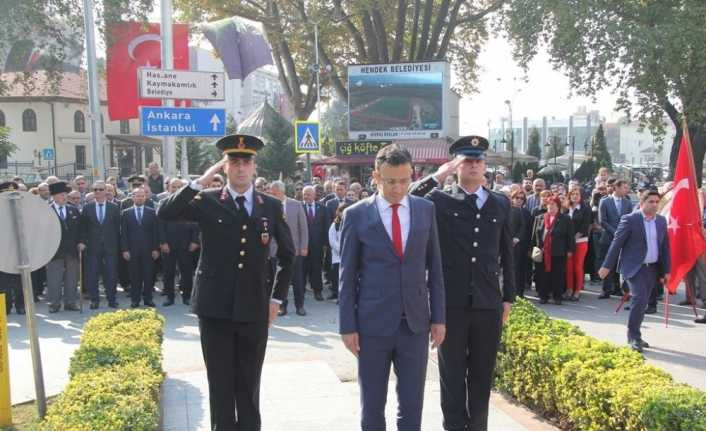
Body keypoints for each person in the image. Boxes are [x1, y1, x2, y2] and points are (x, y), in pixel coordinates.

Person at [157, 134, 295, 431]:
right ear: (225, 166)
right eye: (234, 162)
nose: (241, 168)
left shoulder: (270, 205)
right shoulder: (206, 201)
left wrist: (276, 299)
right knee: (220, 385)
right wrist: (200, 180)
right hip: (214, 307)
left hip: (255, 308)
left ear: (254, 166)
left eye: (246, 162)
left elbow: (288, 255)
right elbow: (165, 212)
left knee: (249, 384)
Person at [409, 135, 514, 431]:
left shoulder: (500, 203)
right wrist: (439, 176)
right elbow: (409, 198)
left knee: (482, 376)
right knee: (452, 376)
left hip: (487, 302)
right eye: (467, 160)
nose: (474, 165)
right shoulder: (440, 201)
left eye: (479, 160)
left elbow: (508, 253)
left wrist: (508, 298)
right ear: (456, 165)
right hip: (451, 303)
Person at [339, 143, 445, 431]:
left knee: (412, 404)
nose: (398, 188)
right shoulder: (357, 215)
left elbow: (435, 269)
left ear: (412, 174)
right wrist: (347, 326)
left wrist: (439, 318)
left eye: (404, 180)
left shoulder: (426, 210)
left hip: (415, 325)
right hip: (372, 327)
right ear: (376, 176)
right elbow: (347, 276)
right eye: (390, 181)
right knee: (372, 405)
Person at [599, 190, 670, 352]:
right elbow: (617, 243)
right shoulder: (630, 219)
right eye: (651, 201)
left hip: (652, 268)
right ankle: (633, 337)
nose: (654, 205)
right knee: (639, 298)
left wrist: (667, 270)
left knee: (643, 302)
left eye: (657, 202)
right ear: (642, 202)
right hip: (634, 267)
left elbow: (665, 246)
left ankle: (636, 333)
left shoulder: (661, 221)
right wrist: (606, 266)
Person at [78, 181, 121, 309]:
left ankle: (112, 299)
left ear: (106, 191)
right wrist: (82, 242)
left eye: (101, 189)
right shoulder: (87, 208)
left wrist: (119, 246)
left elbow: (117, 228)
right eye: (95, 189)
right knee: (93, 274)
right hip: (92, 247)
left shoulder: (114, 208)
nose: (98, 192)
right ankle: (94, 300)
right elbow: (83, 228)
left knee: (111, 274)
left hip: (110, 246)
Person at [268, 180, 309, 317]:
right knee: (279, 280)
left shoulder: (296, 205)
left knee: (297, 279)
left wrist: (303, 246)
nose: (271, 194)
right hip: (275, 250)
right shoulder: (270, 206)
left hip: (294, 250)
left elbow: (303, 227)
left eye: (274, 192)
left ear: (281, 191)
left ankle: (300, 305)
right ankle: (282, 306)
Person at [159, 180, 200, 306]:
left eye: (179, 187)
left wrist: (195, 241)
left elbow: (196, 224)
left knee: (186, 271)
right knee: (168, 271)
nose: (176, 189)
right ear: (169, 188)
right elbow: (159, 225)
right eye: (173, 187)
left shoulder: (190, 203)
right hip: (168, 244)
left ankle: (187, 296)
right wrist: (162, 242)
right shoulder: (163, 202)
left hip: (186, 243)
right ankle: (169, 297)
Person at [121, 187, 160, 308]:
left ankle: (148, 299)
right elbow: (124, 233)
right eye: (137, 196)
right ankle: (135, 300)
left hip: (148, 250)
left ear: (145, 197)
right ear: (133, 197)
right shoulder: (126, 213)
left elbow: (155, 232)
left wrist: (155, 249)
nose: (140, 198)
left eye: (142, 196)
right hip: (132, 251)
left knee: (148, 276)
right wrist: (125, 249)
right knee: (134, 276)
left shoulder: (152, 212)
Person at [45, 181, 81, 313]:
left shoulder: (73, 209)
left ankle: (70, 302)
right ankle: (54, 303)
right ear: (54, 196)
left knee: (72, 278)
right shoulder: (47, 210)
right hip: (54, 251)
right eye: (61, 194)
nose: (64, 197)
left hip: (71, 250)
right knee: (54, 278)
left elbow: (80, 229)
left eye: (66, 194)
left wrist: (81, 242)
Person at [535, 196, 574, 305]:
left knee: (558, 274)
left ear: (558, 206)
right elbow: (535, 234)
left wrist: (570, 250)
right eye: (549, 204)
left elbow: (570, 236)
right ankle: (543, 296)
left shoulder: (565, 219)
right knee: (543, 275)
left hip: (558, 251)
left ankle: (557, 296)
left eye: (553, 205)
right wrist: (534, 247)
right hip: (543, 251)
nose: (550, 207)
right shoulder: (540, 218)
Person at [598, 179, 633, 298]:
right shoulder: (605, 201)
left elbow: (630, 220)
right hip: (608, 237)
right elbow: (602, 221)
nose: (626, 190)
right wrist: (615, 232)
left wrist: (623, 234)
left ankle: (619, 289)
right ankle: (606, 290)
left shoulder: (627, 202)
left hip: (623, 239)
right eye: (624, 187)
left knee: (620, 264)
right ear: (616, 188)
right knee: (608, 263)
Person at [300, 185, 330, 302]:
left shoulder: (322, 208)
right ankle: (301, 291)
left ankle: (317, 291)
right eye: (304, 194)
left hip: (317, 245)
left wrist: (325, 244)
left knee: (316, 268)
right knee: (302, 268)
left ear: (314, 195)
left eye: (308, 194)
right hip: (302, 244)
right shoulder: (299, 207)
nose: (306, 196)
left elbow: (326, 226)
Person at [0, 182, 25, 314]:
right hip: (2, 251)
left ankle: (21, 305)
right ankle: (6, 306)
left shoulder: (23, 207)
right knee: (3, 282)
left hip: (18, 250)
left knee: (20, 280)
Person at [566, 187, 591, 301]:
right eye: (573, 194)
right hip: (567, 242)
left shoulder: (585, 209)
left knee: (578, 266)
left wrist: (574, 238)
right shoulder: (566, 208)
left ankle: (577, 290)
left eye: (577, 194)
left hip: (580, 241)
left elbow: (585, 226)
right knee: (568, 267)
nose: (575, 196)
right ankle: (569, 289)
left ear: (581, 196)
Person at [510, 189, 532, 298]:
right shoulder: (508, 211)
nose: (519, 200)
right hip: (511, 245)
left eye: (522, 198)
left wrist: (529, 247)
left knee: (522, 270)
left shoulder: (527, 213)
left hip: (523, 246)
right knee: (511, 269)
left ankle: (520, 293)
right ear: (512, 198)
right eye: (517, 198)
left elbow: (529, 230)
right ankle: (511, 293)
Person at [327, 202, 350, 303]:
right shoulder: (334, 225)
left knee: (346, 278)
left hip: (349, 255)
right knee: (336, 277)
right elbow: (332, 241)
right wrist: (342, 249)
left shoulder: (351, 223)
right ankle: (336, 294)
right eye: (341, 211)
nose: (343, 214)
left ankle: (344, 296)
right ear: (338, 212)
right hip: (337, 256)